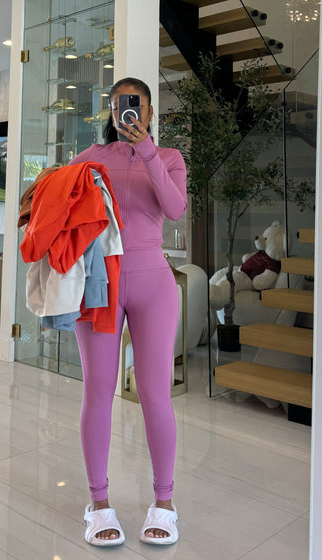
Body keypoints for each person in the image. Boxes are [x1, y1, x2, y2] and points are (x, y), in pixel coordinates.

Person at [69, 77, 187, 546]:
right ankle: (98, 503)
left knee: (156, 394)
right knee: (98, 391)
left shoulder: (169, 157)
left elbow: (175, 209)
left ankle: (165, 502)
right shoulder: (91, 157)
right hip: (99, 283)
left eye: (136, 105)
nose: (129, 112)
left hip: (153, 281)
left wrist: (148, 152)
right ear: (112, 112)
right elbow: (56, 203)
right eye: (121, 106)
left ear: (150, 112)